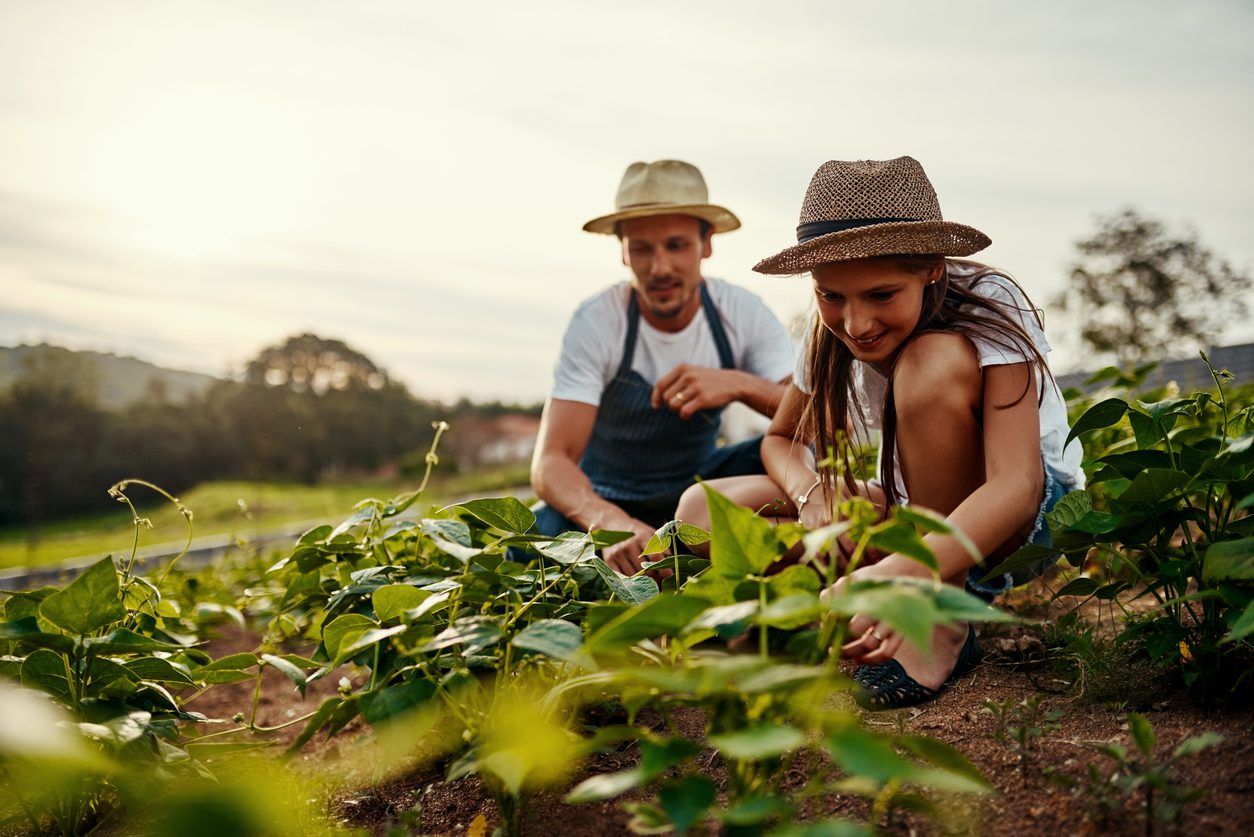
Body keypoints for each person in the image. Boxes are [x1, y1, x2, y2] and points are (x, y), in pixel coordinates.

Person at [674, 156, 1085, 708]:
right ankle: (810, 614)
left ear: (933, 268)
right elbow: (780, 439)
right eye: (830, 296)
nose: (856, 324)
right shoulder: (829, 333)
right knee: (702, 510)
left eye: (882, 296)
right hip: (912, 515)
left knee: (928, 362)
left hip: (1017, 524)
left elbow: (1016, 486)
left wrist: (901, 568)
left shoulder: (989, 304)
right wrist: (813, 492)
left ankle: (938, 619)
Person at [531, 160, 795, 574]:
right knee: (540, 534)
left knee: (789, 448)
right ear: (622, 251)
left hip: (698, 488)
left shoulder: (741, 313)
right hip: (608, 495)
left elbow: (818, 417)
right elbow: (551, 462)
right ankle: (692, 551)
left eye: (676, 245)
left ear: (706, 243)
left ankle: (781, 542)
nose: (659, 268)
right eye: (641, 248)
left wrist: (740, 385)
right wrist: (610, 525)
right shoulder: (598, 322)